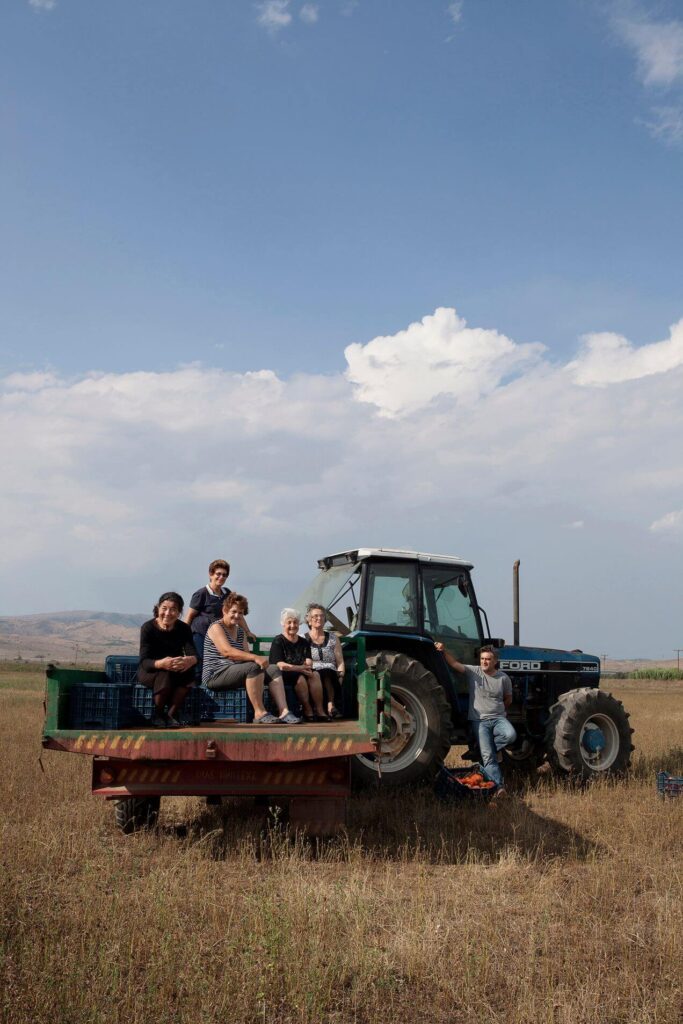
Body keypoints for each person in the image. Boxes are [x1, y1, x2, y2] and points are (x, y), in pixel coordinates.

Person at [203, 593, 300, 725]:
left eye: (240, 613)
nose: (237, 616)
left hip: (235, 672)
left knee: (273, 669)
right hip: (216, 674)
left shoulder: (241, 632)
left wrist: (257, 661)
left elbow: (245, 656)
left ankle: (284, 712)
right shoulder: (216, 627)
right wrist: (255, 657)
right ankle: (259, 713)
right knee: (254, 666)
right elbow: (227, 652)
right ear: (225, 610)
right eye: (233, 612)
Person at [435, 643, 516, 796]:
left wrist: (497, 710)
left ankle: (485, 749)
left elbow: (508, 699)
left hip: (498, 718)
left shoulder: (503, 678)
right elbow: (454, 664)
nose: (484, 662)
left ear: (495, 661)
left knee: (510, 735)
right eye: (482, 659)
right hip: (480, 721)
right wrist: (443, 650)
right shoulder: (475, 672)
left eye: (488, 659)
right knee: (489, 757)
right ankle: (499, 788)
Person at [138, 592, 197, 728]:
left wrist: (189, 660)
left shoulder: (184, 628)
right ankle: (157, 715)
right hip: (150, 670)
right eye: (164, 608)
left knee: (189, 674)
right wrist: (161, 663)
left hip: (174, 668)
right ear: (158, 608)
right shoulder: (148, 628)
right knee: (165, 674)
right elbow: (144, 661)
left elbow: (194, 654)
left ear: (179, 612)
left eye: (173, 609)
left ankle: (170, 715)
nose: (168, 613)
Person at [185, 559, 252, 672]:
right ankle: (198, 688)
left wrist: (247, 631)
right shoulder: (201, 594)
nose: (221, 577)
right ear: (211, 574)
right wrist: (183, 634)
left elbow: (237, 612)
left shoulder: (227, 593)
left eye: (224, 575)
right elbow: (190, 616)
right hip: (201, 634)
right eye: (218, 574)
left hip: (219, 635)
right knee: (201, 663)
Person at [269, 608, 327, 722]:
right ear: (283, 624)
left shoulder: (303, 641)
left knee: (315, 675)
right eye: (289, 622)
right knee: (300, 678)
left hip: (301, 670)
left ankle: (320, 710)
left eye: (295, 622)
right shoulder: (278, 640)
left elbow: (308, 659)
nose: (292, 625)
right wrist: (300, 668)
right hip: (284, 674)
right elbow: (279, 665)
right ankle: (307, 709)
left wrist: (308, 665)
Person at [304, 603, 345, 719]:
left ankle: (330, 705)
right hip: (312, 671)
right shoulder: (303, 638)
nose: (319, 618)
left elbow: (340, 661)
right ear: (309, 620)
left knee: (328, 671)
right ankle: (325, 707)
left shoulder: (333, 638)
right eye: (315, 616)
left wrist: (341, 675)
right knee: (320, 673)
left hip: (332, 672)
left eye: (322, 616)